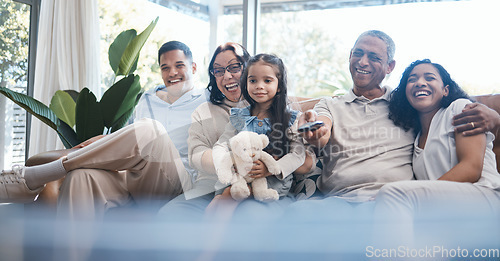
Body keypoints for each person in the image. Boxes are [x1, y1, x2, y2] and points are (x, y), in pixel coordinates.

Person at [374, 59, 500, 245]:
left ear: (445, 90)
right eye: (412, 79)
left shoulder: (460, 109)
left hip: (486, 197)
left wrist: (417, 197)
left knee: (394, 194)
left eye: (430, 78)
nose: (420, 83)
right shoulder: (415, 138)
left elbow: (472, 168)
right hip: (449, 214)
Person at [210, 53, 312, 220]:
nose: (259, 86)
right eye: (253, 80)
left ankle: (210, 246)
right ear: (246, 83)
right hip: (240, 177)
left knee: (227, 199)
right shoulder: (239, 116)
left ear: (279, 86)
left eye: (267, 81)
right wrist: (226, 163)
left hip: (271, 182)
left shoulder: (289, 119)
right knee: (215, 203)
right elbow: (222, 143)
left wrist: (272, 169)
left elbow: (298, 155)